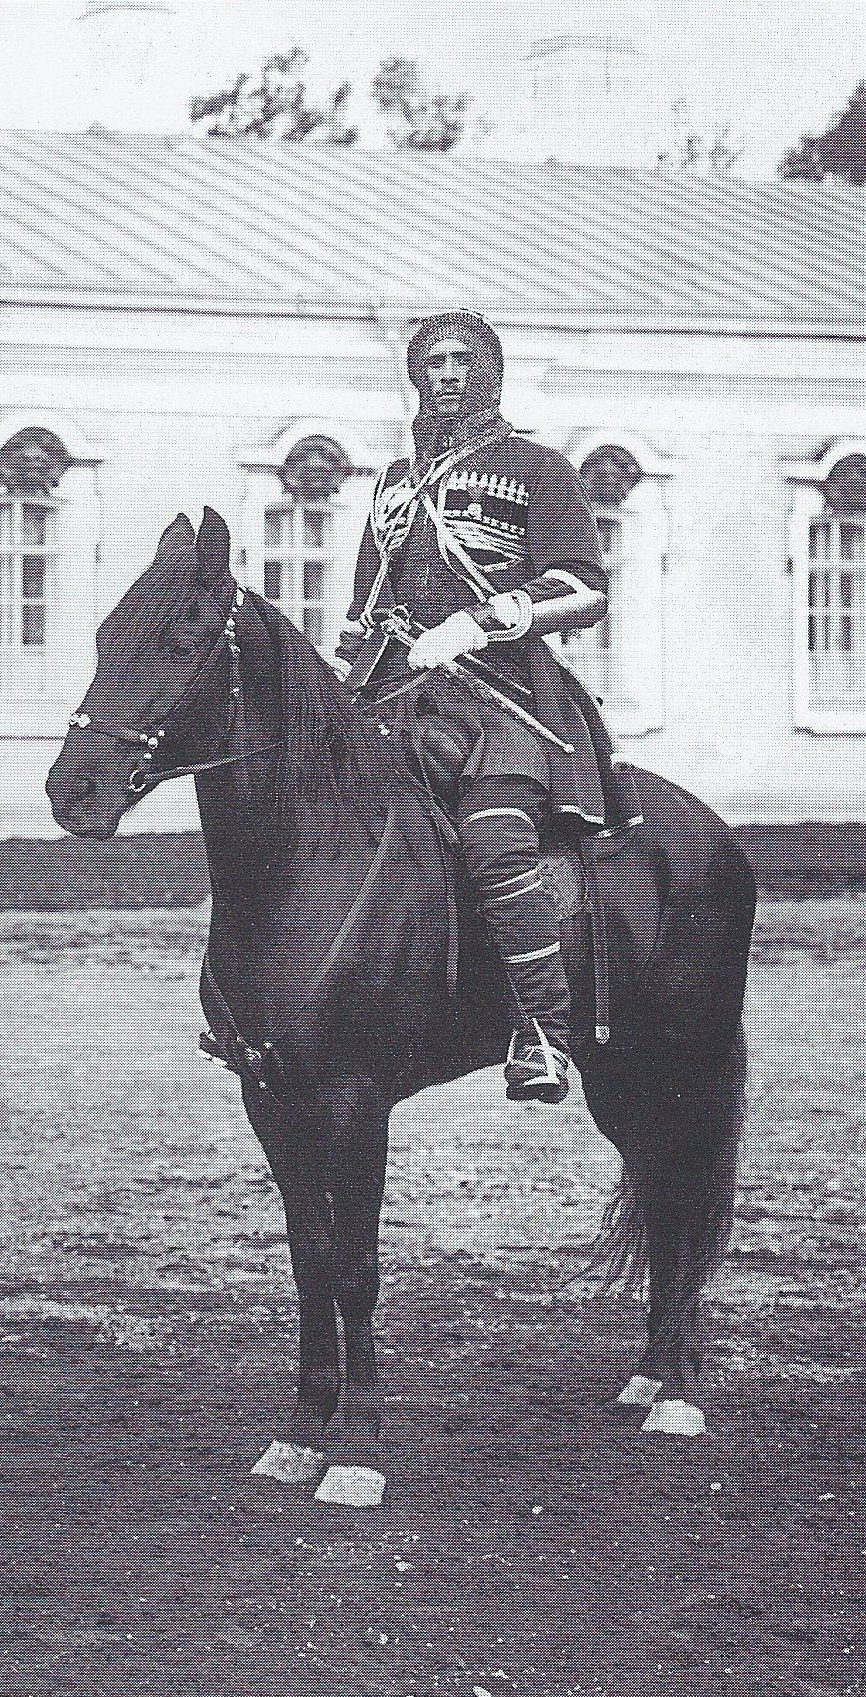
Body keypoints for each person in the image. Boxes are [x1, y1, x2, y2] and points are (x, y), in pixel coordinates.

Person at [339, 310, 626, 1104]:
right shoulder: (396, 482)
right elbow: (370, 596)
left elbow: (585, 589)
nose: (448, 373)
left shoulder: (538, 468)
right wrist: (358, 639)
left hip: (503, 703)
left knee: (495, 842)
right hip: (396, 691)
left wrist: (484, 617)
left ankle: (541, 1031)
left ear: (491, 371)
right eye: (433, 361)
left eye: (465, 359)